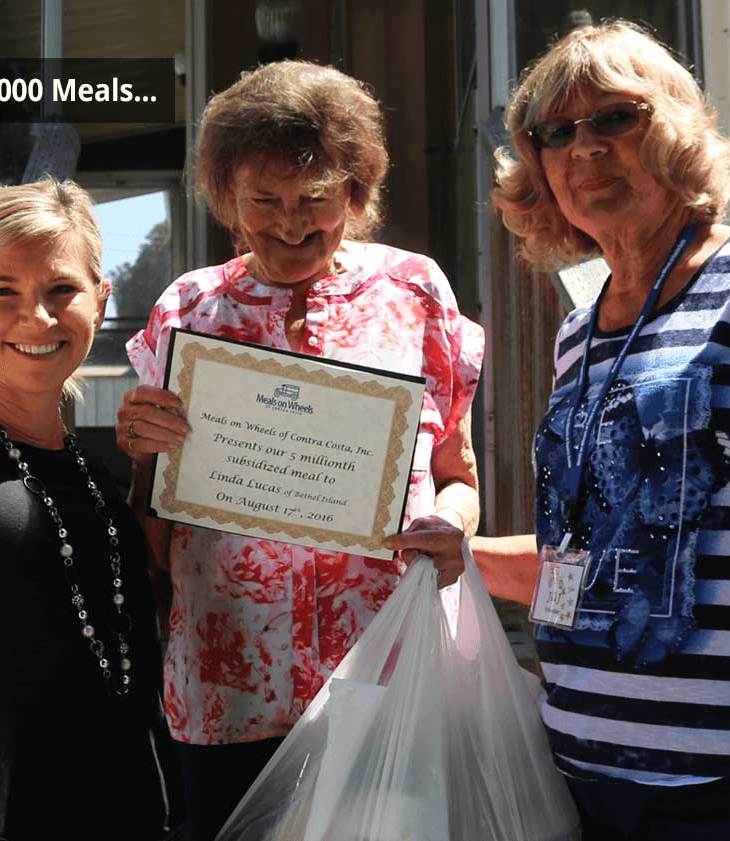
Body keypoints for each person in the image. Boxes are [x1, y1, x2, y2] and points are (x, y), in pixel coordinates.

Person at [387, 19, 730, 841]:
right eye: (553, 133)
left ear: (674, 126)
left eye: (614, 117)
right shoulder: (578, 333)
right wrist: (462, 556)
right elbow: (592, 565)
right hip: (580, 780)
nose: (582, 147)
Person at [117, 60, 484, 841]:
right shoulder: (187, 308)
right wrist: (142, 449)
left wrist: (454, 526)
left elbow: (457, 473)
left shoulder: (415, 292)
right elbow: (150, 530)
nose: (289, 223)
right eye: (263, 201)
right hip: (227, 685)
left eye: (314, 200)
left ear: (356, 191)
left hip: (384, 673)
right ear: (225, 197)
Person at [0, 180, 178, 841]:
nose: (38, 316)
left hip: (124, 813)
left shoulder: (103, 485)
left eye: (61, 290)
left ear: (101, 303)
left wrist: (154, 470)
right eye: (2, 291)